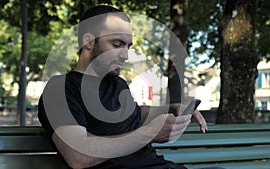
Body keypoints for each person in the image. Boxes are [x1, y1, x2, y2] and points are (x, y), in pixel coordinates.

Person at [38, 5, 219, 169]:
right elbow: (78, 157)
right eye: (117, 44)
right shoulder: (59, 89)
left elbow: (131, 113)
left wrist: (172, 108)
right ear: (89, 42)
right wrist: (149, 133)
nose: (125, 55)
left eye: (128, 46)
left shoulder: (118, 84)